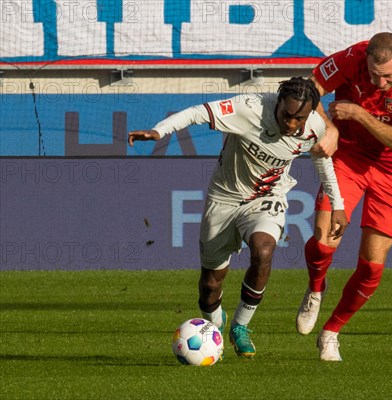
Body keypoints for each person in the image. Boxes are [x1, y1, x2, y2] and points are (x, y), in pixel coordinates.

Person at [128, 77, 348, 358]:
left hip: (267, 199)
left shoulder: (313, 127)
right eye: (286, 115)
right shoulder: (249, 108)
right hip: (224, 199)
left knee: (263, 249)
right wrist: (159, 131)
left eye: (299, 119)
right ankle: (214, 328)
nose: (291, 124)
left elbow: (322, 159)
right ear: (277, 103)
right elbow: (198, 112)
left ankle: (241, 326)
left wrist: (337, 203)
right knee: (210, 284)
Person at [295, 32, 392, 361]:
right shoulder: (353, 56)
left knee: (372, 266)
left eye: (387, 75)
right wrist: (329, 128)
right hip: (349, 159)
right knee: (323, 240)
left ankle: (331, 332)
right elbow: (310, 86)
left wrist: (358, 114)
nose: (380, 82)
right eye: (374, 74)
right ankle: (316, 287)